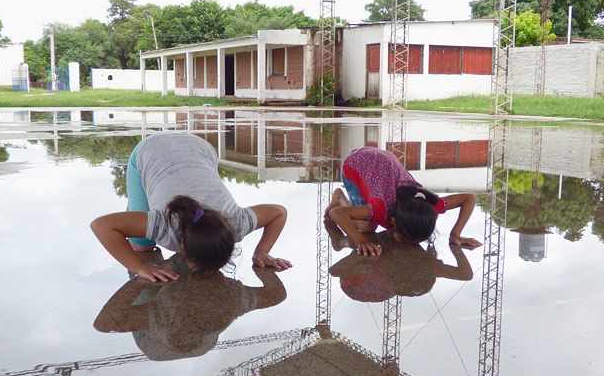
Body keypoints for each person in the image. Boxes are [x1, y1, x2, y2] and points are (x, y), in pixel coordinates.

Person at [90, 132, 292, 283]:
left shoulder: (238, 222)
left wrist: (262, 252)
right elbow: (101, 225)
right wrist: (140, 267)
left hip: (200, 148)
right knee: (142, 246)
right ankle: (137, 210)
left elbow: (279, 212)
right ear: (182, 244)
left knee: (143, 223)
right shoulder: (164, 223)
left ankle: (138, 213)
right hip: (151, 150)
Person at [93, 253, 287, 361]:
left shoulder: (165, 311)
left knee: (147, 262)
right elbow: (276, 295)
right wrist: (262, 266)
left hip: (154, 345)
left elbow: (104, 324)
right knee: (182, 264)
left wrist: (139, 280)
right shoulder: (236, 296)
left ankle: (154, 264)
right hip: (200, 343)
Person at [324, 146, 481, 256]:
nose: (409, 245)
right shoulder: (382, 209)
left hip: (381, 162)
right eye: (405, 239)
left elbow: (469, 198)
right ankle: (339, 197)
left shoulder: (429, 204)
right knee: (367, 229)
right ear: (392, 221)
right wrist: (359, 240)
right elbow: (336, 213)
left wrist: (456, 235)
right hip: (356, 165)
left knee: (369, 223)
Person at [326, 226, 474, 302]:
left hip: (356, 284)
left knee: (368, 240)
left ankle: (342, 242)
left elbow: (334, 270)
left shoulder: (376, 268)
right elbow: (465, 274)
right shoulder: (427, 268)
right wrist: (456, 244)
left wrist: (363, 254)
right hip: (386, 284)